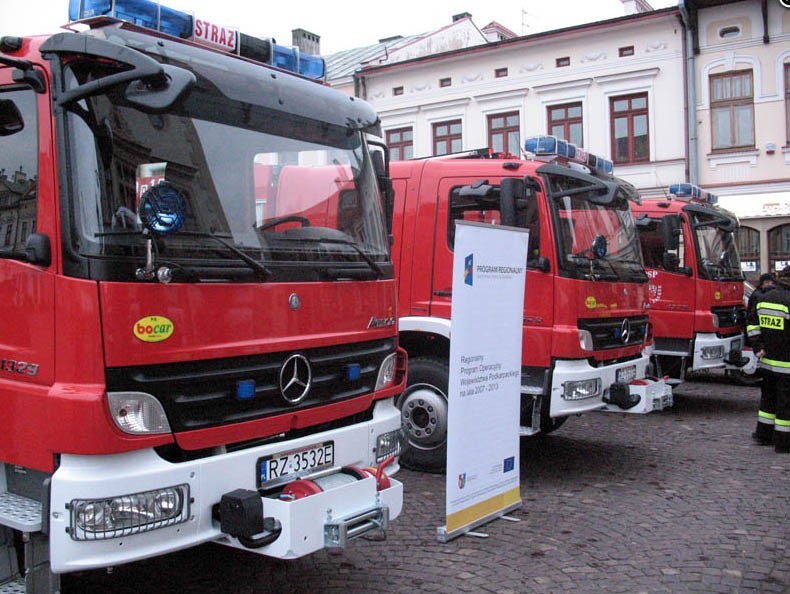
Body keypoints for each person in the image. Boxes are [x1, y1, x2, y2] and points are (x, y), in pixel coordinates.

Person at [746, 267, 790, 453]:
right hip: (787, 363)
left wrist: (758, 347)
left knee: (768, 400)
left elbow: (752, 326)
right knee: (785, 403)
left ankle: (763, 435)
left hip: (767, 360)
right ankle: (784, 442)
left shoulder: (764, 298)